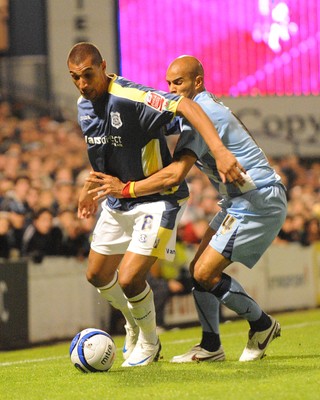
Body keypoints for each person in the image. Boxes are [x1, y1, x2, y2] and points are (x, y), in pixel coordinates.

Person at [87, 55, 287, 363]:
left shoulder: (204, 113)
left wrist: (125, 189)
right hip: (240, 199)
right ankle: (210, 346)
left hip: (258, 199)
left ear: (198, 82)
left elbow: (174, 174)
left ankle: (262, 326)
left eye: (178, 82)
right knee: (197, 273)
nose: (171, 88)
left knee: (205, 273)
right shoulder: (202, 109)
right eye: (168, 83)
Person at [67, 43, 244, 368]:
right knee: (96, 275)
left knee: (130, 278)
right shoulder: (84, 105)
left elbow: (188, 108)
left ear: (103, 67)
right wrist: (88, 186)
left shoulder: (132, 97)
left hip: (156, 201)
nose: (82, 83)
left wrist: (219, 152)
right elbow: (106, 154)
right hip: (118, 200)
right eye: (75, 77)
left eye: (88, 75)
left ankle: (149, 340)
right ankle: (134, 324)